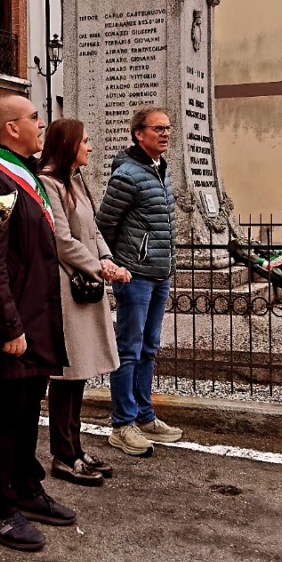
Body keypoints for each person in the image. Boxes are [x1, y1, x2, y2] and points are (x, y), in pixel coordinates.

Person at [0, 94, 75, 550]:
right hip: (11, 325)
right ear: (11, 127)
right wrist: (9, 326)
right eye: (34, 117)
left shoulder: (21, 172)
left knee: (28, 410)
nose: (41, 124)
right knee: (5, 415)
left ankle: (26, 489)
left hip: (33, 317)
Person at [38, 119, 131, 485]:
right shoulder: (49, 182)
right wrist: (99, 267)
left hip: (86, 283)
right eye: (86, 141)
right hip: (69, 288)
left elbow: (92, 232)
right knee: (67, 373)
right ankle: (63, 454)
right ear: (68, 145)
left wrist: (107, 260)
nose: (91, 147)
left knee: (79, 374)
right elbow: (62, 240)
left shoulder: (75, 179)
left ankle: (74, 448)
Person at [96, 106, 182, 457]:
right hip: (136, 275)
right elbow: (105, 226)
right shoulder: (127, 176)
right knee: (129, 349)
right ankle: (122, 424)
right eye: (158, 128)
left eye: (168, 128)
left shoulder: (161, 169)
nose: (165, 133)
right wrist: (117, 265)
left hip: (160, 273)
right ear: (138, 134)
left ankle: (145, 416)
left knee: (149, 347)